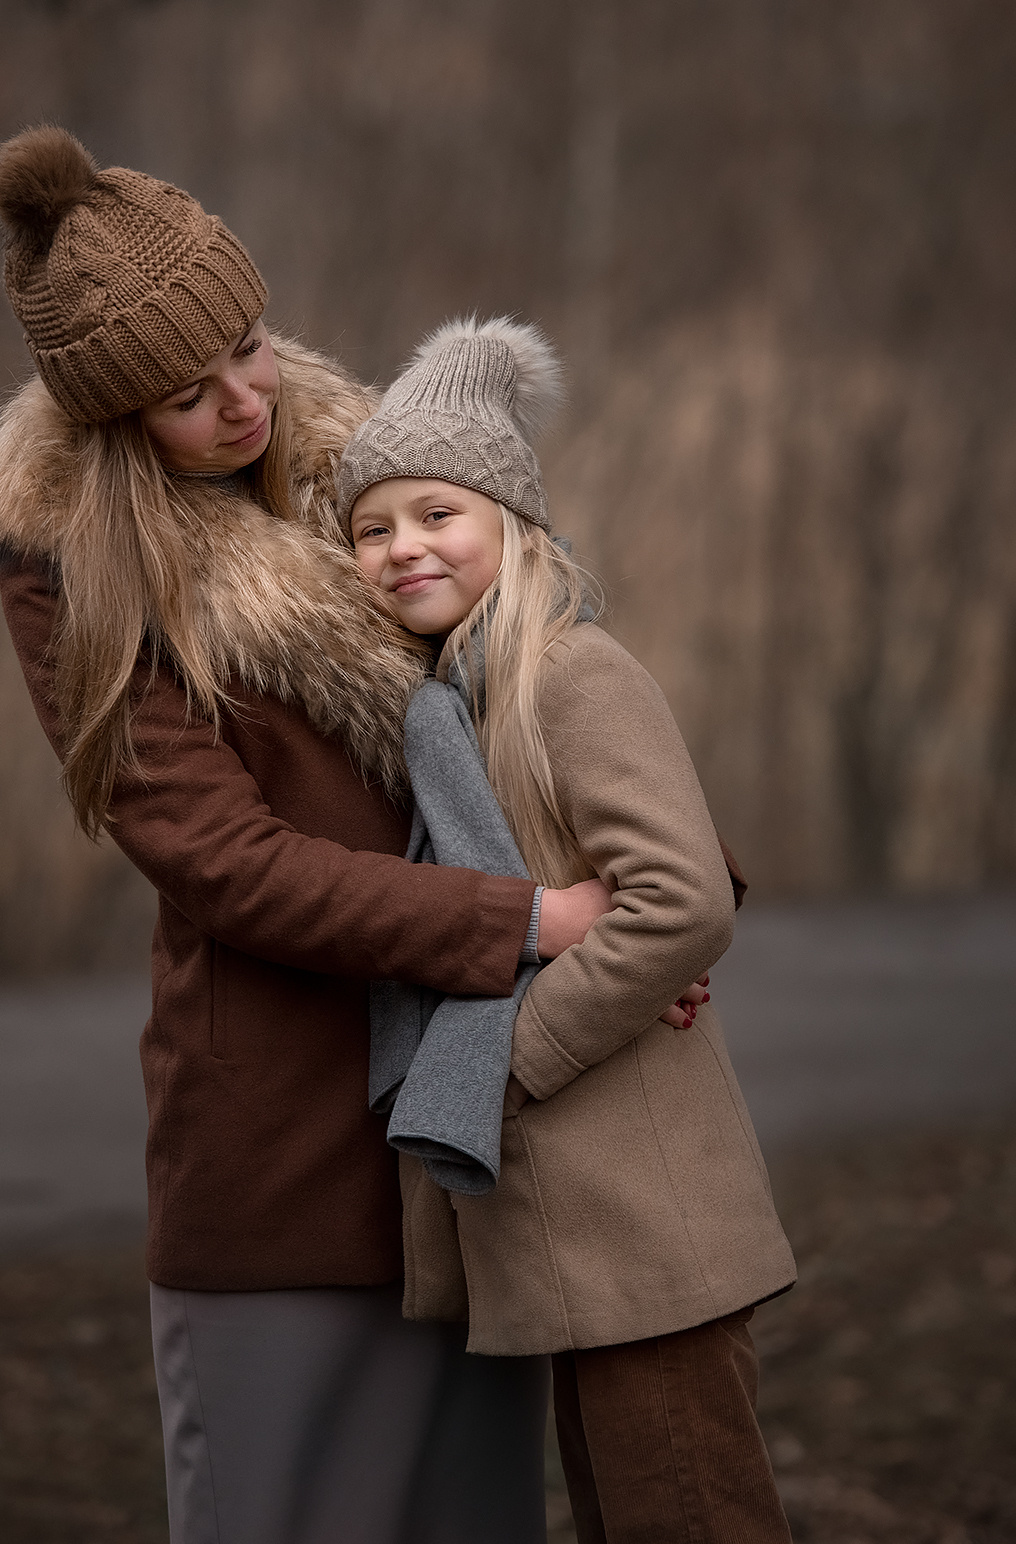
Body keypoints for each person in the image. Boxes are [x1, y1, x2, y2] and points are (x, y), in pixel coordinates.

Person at [0, 126, 618, 1544]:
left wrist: (652, 906)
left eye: (251, 347)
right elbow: (229, 868)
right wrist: (521, 925)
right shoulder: (74, 568)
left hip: (473, 1145)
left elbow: (558, 700)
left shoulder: (382, 473)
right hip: (281, 1163)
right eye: (187, 395)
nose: (243, 400)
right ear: (116, 420)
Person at [336, 315, 799, 1544]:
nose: (401, 547)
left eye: (436, 513)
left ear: (510, 522)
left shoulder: (565, 672)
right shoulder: (453, 707)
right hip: (579, 1236)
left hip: (645, 1223)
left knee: (692, 1520)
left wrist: (513, 1058)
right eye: (370, 529)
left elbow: (679, 900)